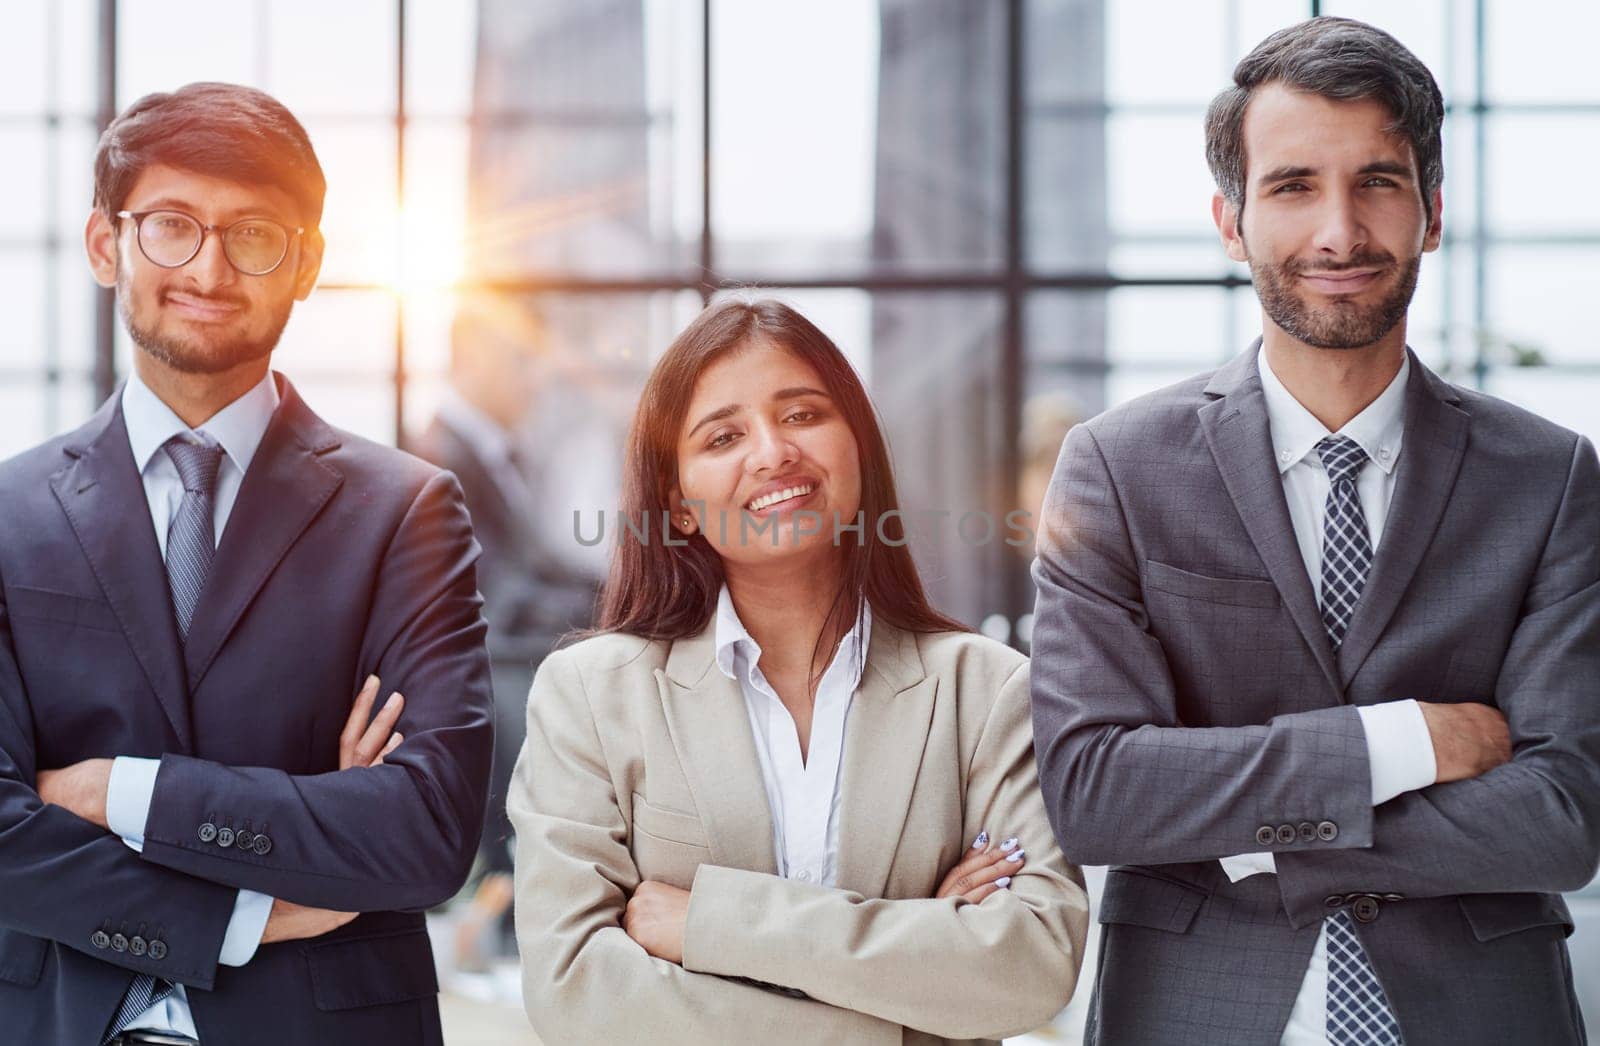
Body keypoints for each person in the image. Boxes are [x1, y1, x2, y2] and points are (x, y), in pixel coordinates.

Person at [1030, 17, 1597, 1046]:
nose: (1338, 232)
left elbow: (1558, 814)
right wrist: (1404, 740)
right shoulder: (1116, 466)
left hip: (1478, 1015)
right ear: (1230, 220)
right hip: (1195, 1012)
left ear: (1429, 212)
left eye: (1376, 181)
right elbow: (1096, 790)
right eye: (1292, 186)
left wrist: (1248, 834)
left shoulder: (1548, 474)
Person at [0, 82, 494, 1044]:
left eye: (255, 234)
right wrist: (249, 911)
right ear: (108, 245)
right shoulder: (5, 515)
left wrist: (114, 792)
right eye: (172, 226)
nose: (211, 267)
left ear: (305, 262)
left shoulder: (404, 511)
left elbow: (424, 829)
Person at [509, 298, 1088, 1044]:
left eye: (803, 415)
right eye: (723, 436)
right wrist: (909, 995)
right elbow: (576, 992)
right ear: (678, 505)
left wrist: (708, 924)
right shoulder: (590, 693)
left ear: (858, 448)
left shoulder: (985, 690)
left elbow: (1030, 973)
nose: (773, 452)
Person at [409, 293, 596, 968]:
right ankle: (526, 928)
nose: (537, 378)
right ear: (474, 356)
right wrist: (611, 605)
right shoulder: (439, 455)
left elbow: (532, 567)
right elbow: (501, 593)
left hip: (510, 658)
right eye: (523, 360)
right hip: (483, 674)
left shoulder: (494, 454)